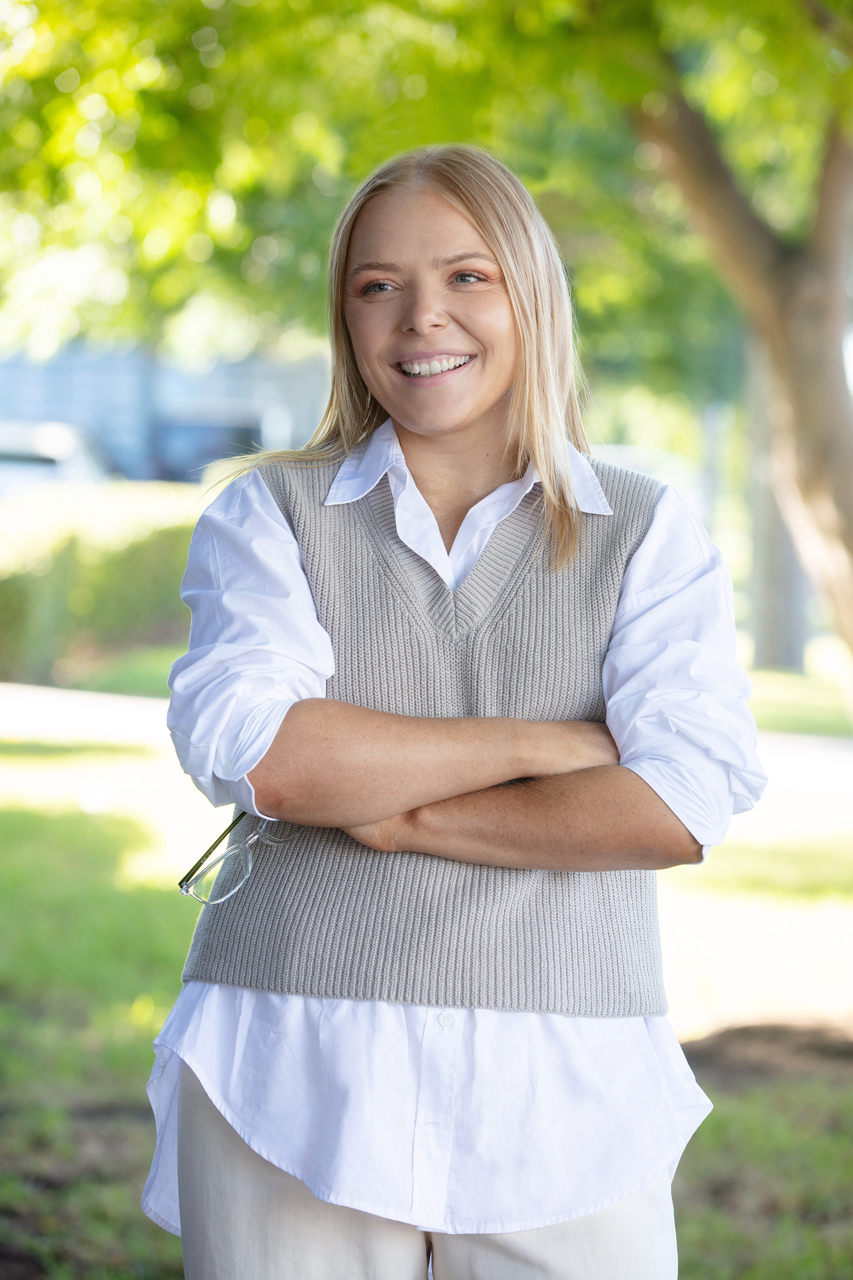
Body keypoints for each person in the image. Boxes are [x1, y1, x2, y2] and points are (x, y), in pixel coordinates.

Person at [142, 145, 765, 1279]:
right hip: (288, 1051)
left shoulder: (644, 527)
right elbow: (269, 757)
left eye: (466, 276)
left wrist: (398, 812)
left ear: (529, 290)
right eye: (377, 284)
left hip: (568, 1066)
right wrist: (551, 744)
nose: (421, 316)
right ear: (346, 316)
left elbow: (677, 802)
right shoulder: (265, 515)